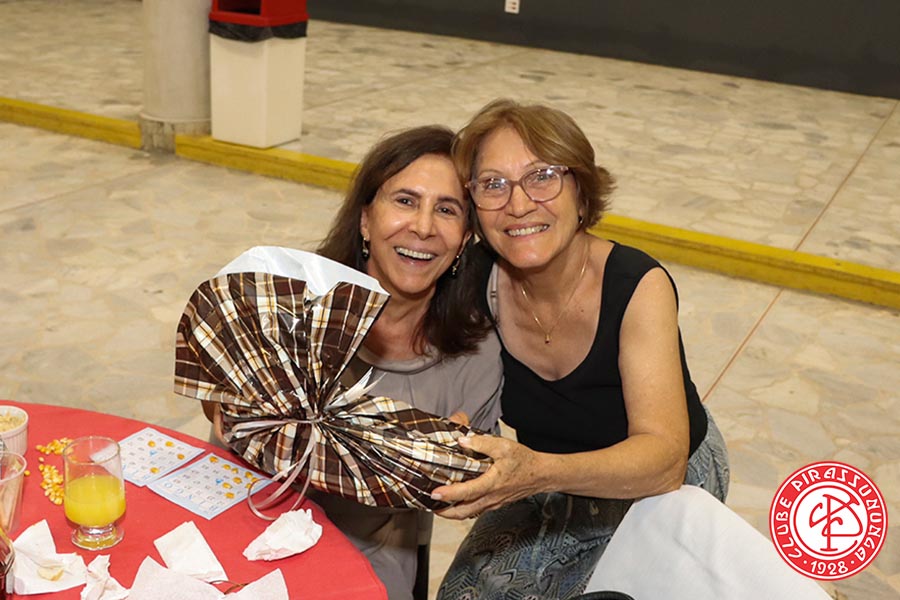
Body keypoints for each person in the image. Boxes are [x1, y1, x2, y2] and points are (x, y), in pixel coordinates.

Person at [431, 99, 730, 600]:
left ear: (582, 193)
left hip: (656, 484)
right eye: (494, 184)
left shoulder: (637, 285)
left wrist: (536, 474)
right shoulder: (477, 278)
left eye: (542, 176)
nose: (518, 204)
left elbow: (664, 460)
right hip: (547, 478)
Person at [206, 125, 504, 600]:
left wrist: (453, 468)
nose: (423, 227)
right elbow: (223, 424)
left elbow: (477, 483)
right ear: (365, 219)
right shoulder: (289, 305)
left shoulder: (475, 352)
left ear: (465, 237)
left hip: (368, 560)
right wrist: (226, 402)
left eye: (446, 210)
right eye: (405, 200)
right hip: (245, 527)